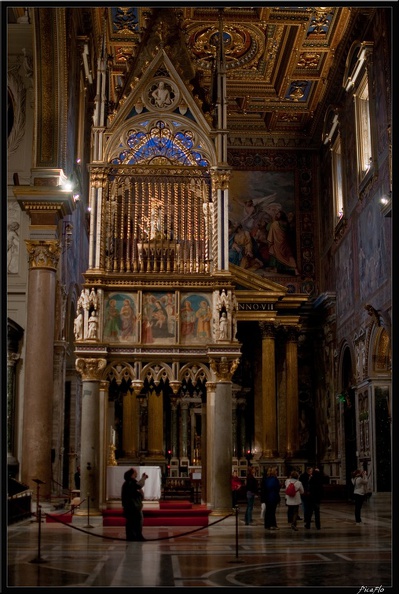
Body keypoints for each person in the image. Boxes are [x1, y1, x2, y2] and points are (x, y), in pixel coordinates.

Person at [121, 468, 148, 541]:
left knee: (130, 522)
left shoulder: (127, 483)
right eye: (135, 472)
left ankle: (131, 536)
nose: (136, 473)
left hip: (129, 506)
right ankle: (137, 536)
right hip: (133, 506)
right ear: (132, 474)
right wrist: (143, 478)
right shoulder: (131, 482)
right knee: (137, 521)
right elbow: (139, 485)